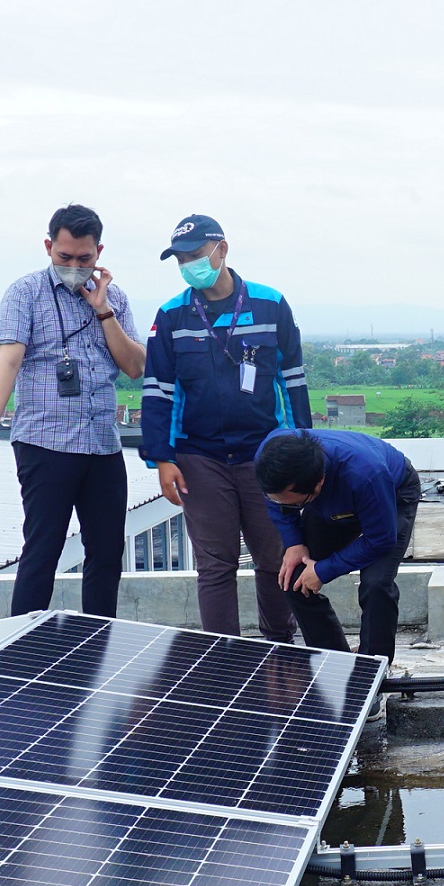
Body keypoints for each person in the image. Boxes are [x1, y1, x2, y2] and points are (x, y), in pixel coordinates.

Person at [0, 203, 147, 616]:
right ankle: (21, 650)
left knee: (106, 552)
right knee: (42, 550)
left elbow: (135, 366)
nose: (74, 265)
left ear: (99, 252)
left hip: (102, 443)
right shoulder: (24, 292)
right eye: (64, 257)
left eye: (84, 258)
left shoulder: (113, 297)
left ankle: (99, 641)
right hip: (45, 441)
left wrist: (103, 309)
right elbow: (8, 362)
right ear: (48, 247)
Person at [140, 214, 312, 643]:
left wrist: (304, 448)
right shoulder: (172, 316)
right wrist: (162, 459)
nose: (189, 265)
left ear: (222, 249)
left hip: (265, 453)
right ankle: (225, 658)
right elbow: (157, 392)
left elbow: (293, 381)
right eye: (181, 259)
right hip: (200, 457)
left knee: (275, 559)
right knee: (215, 565)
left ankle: (279, 647)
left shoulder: (271, 305)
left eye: (196, 255)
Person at [256, 428, 422, 660]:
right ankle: (333, 659)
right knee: (294, 578)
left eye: (295, 505)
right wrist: (294, 543)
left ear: (319, 484)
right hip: (329, 500)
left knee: (376, 584)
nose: (286, 505)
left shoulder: (366, 473)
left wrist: (324, 570)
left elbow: (381, 540)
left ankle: (373, 666)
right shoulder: (270, 457)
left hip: (392, 492)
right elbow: (278, 504)